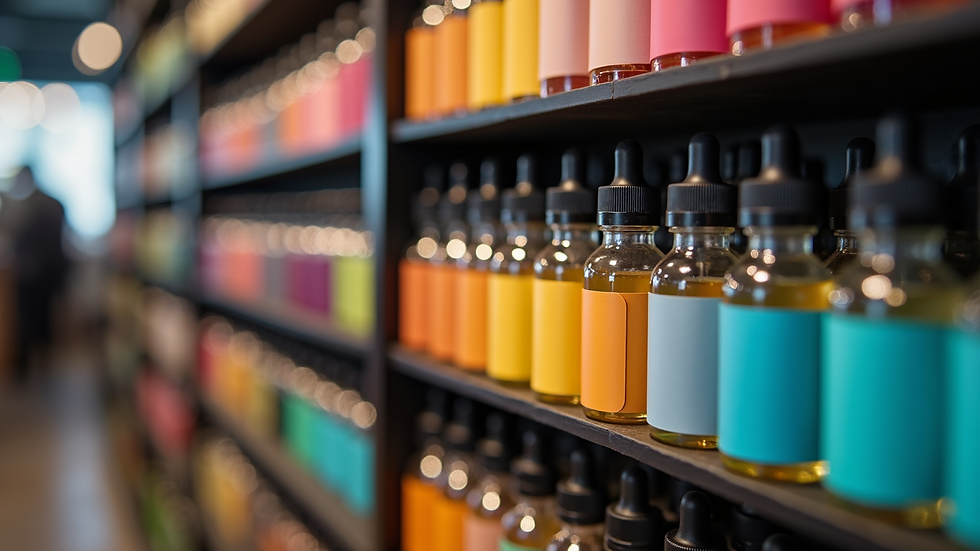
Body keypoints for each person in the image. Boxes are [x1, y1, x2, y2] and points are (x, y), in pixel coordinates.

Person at [0, 167, 69, 382]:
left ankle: (25, 367)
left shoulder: (26, 205)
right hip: (48, 272)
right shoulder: (52, 202)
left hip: (30, 273)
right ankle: (42, 365)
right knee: (42, 318)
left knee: (26, 319)